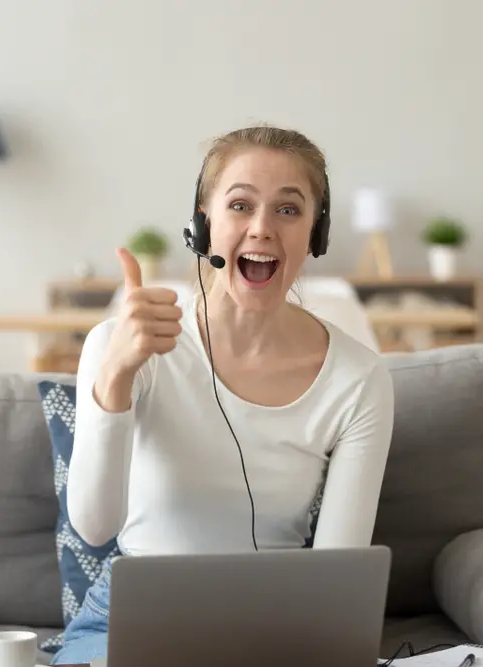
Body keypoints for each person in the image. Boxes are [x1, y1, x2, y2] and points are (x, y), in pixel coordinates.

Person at [50, 125, 395, 666]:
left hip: (280, 627)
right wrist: (115, 375)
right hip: (131, 619)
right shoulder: (120, 345)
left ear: (315, 235)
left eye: (288, 210)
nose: (261, 229)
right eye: (240, 205)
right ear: (202, 225)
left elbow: (338, 580)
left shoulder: (359, 378)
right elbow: (93, 529)